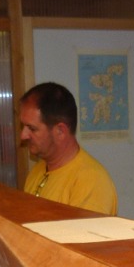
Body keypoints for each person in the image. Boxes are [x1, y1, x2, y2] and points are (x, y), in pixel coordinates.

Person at [18, 82, 118, 215]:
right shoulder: (37, 170)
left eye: (32, 128)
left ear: (60, 131)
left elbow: (83, 235)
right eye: (23, 126)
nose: (23, 135)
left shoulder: (91, 181)